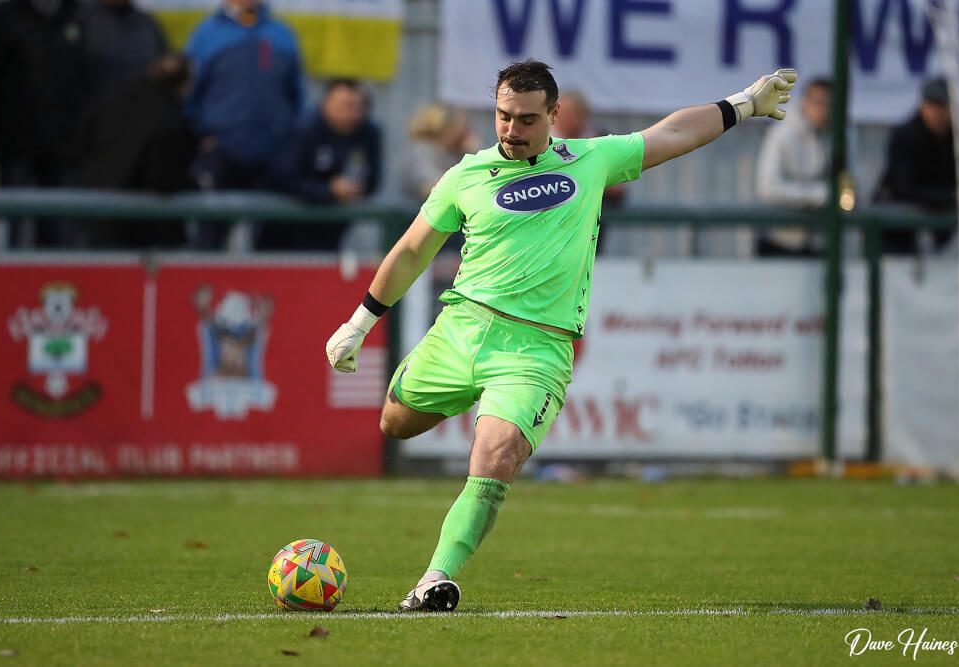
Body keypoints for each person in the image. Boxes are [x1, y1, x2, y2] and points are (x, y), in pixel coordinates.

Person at [325, 60, 796, 612]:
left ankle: (435, 579)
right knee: (395, 424)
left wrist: (741, 105)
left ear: (553, 116)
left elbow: (670, 133)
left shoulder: (590, 160)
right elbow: (410, 251)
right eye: (503, 116)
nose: (511, 130)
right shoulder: (465, 176)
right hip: (460, 330)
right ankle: (464, 397)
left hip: (535, 350)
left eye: (526, 119)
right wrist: (359, 324)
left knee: (495, 457)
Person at [184, 0, 305, 247]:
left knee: (274, 242)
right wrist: (200, 136)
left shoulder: (281, 33)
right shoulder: (206, 34)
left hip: (272, 158)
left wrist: (288, 141)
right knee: (210, 239)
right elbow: (188, 95)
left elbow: (297, 96)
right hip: (220, 156)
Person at [0, 0, 90, 246]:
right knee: (13, 226)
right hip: (15, 146)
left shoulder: (80, 15)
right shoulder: (1, 18)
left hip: (66, 146)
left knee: (60, 229)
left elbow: (91, 80)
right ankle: (10, 280)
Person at [70, 53, 195, 247]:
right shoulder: (170, 121)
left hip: (89, 212)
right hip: (136, 232)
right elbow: (162, 180)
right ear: (185, 85)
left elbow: (81, 142)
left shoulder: (113, 97)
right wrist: (196, 186)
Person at [259, 79, 382, 251]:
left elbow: (372, 180)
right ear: (326, 104)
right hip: (285, 232)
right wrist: (328, 190)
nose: (351, 113)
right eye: (344, 106)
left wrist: (355, 189)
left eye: (357, 107)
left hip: (332, 234)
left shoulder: (369, 134)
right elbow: (282, 178)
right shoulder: (303, 130)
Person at [875, 77, 957, 254]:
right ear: (923, 105)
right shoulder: (906, 134)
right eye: (932, 105)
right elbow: (902, 187)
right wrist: (950, 197)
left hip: (943, 229)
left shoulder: (957, 138)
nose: (937, 113)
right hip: (899, 226)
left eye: (942, 106)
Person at [755, 76, 831, 257]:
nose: (824, 110)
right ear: (805, 102)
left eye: (830, 104)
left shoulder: (840, 136)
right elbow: (768, 188)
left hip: (819, 241)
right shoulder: (782, 134)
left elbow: (850, 187)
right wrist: (818, 195)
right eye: (819, 102)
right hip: (779, 240)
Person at [551, 89, 626, 209]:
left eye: (570, 116)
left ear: (583, 116)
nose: (564, 122)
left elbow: (618, 189)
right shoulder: (545, 143)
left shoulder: (601, 139)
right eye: (561, 116)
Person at [399, 103, 478, 202]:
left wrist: (475, 153)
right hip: (414, 213)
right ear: (445, 129)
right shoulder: (422, 151)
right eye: (461, 127)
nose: (465, 132)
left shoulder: (456, 152)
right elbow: (431, 188)